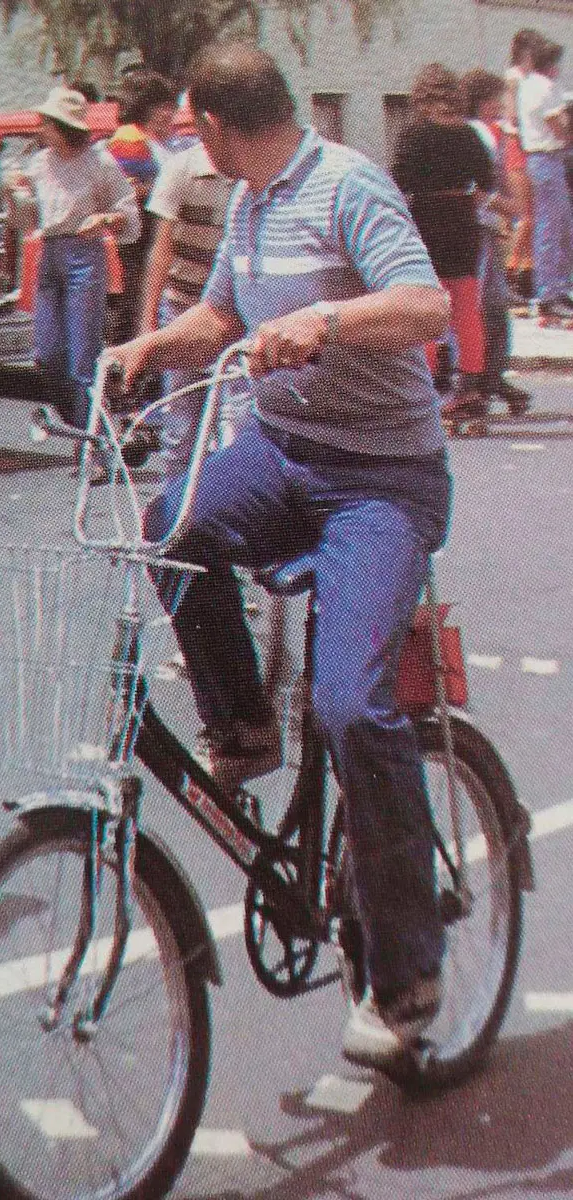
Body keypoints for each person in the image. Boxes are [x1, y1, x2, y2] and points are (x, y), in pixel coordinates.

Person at [108, 44, 453, 1067]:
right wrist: (145, 349)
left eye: (191, 130)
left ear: (214, 124)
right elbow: (219, 318)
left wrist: (326, 318)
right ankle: (245, 726)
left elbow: (427, 308)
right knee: (174, 524)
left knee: (351, 707)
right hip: (284, 451)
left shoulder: (347, 185)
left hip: (380, 481)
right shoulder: (254, 204)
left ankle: (407, 975)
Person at [4, 85, 140, 445]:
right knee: (46, 355)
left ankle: (89, 443)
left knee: (83, 358)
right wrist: (14, 195)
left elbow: (127, 211)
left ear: (63, 126)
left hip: (85, 254)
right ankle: (85, 424)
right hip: (51, 252)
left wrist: (105, 220)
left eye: (45, 123)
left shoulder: (99, 161)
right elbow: (27, 221)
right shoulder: (39, 164)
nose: (39, 129)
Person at [392, 64, 494, 424]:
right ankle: (471, 388)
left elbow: (398, 180)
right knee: (466, 305)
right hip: (462, 217)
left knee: (427, 302)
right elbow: (486, 182)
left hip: (426, 217)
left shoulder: (414, 133)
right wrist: (468, 203)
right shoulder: (469, 135)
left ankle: (428, 384)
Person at [140, 132, 235, 476]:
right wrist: (148, 325)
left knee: (234, 423)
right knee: (181, 421)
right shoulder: (181, 169)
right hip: (184, 306)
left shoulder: (247, 170)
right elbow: (161, 251)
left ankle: (225, 506)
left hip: (235, 315)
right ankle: (175, 506)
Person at [461, 68, 531, 413]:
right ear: (487, 102)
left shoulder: (470, 131)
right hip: (480, 227)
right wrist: (493, 202)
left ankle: (485, 374)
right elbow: (499, 189)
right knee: (487, 305)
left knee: (484, 303)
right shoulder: (488, 135)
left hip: (469, 227)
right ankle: (485, 376)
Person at [105, 71, 178, 345]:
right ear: (149, 109)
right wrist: (168, 191)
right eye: (166, 107)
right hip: (141, 241)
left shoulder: (160, 144)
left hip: (156, 239)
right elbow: (127, 191)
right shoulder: (130, 138)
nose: (172, 114)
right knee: (136, 309)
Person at [517, 38, 573, 321]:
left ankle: (557, 288)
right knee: (553, 228)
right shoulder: (545, 87)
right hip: (547, 158)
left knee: (558, 225)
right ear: (550, 64)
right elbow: (558, 127)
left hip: (540, 160)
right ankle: (550, 292)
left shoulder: (528, 85)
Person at [504, 29, 543, 303]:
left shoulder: (531, 78)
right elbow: (512, 116)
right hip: (518, 146)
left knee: (533, 215)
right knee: (525, 215)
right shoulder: (515, 78)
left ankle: (526, 275)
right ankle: (510, 269)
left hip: (530, 147)